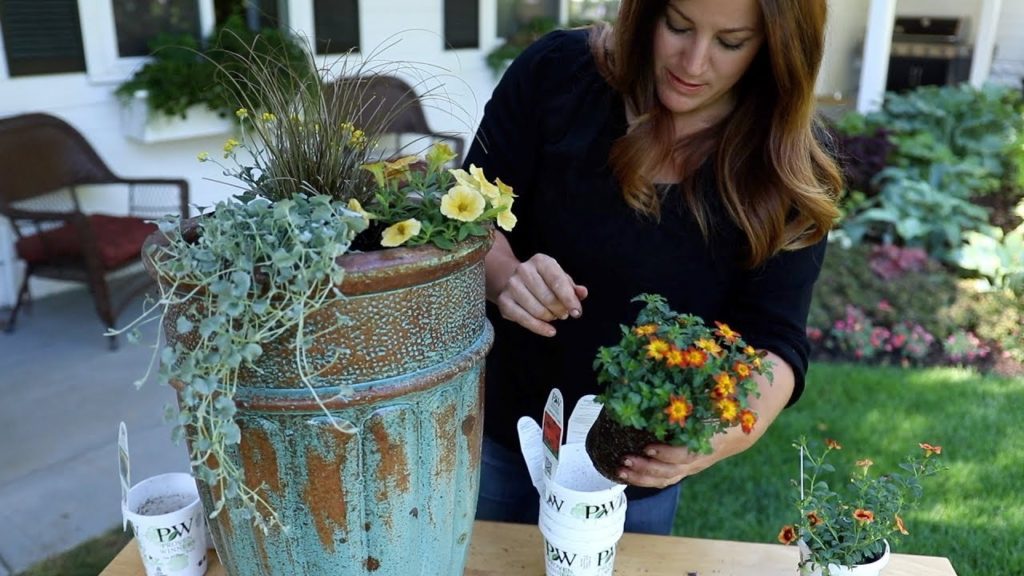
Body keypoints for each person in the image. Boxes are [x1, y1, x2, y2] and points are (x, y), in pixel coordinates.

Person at [463, 0, 842, 535]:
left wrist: (716, 435)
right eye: (679, 26)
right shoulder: (558, 74)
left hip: (632, 473)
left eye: (730, 42)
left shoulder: (789, 166)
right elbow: (465, 216)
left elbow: (775, 342)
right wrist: (505, 277)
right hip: (495, 429)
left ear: (776, 49)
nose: (692, 63)